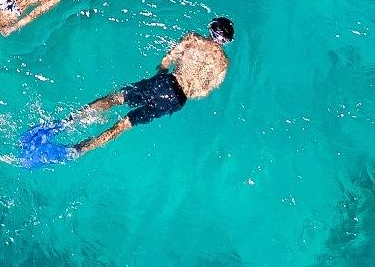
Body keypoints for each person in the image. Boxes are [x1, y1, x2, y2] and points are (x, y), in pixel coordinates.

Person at [23, 18, 234, 162]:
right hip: (177, 101)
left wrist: (161, 73)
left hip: (167, 82)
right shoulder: (223, 63)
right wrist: (185, 91)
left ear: (211, 29)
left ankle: (67, 123)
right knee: (125, 124)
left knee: (116, 99)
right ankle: (79, 150)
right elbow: (205, 91)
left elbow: (168, 58)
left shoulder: (193, 39)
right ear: (226, 41)